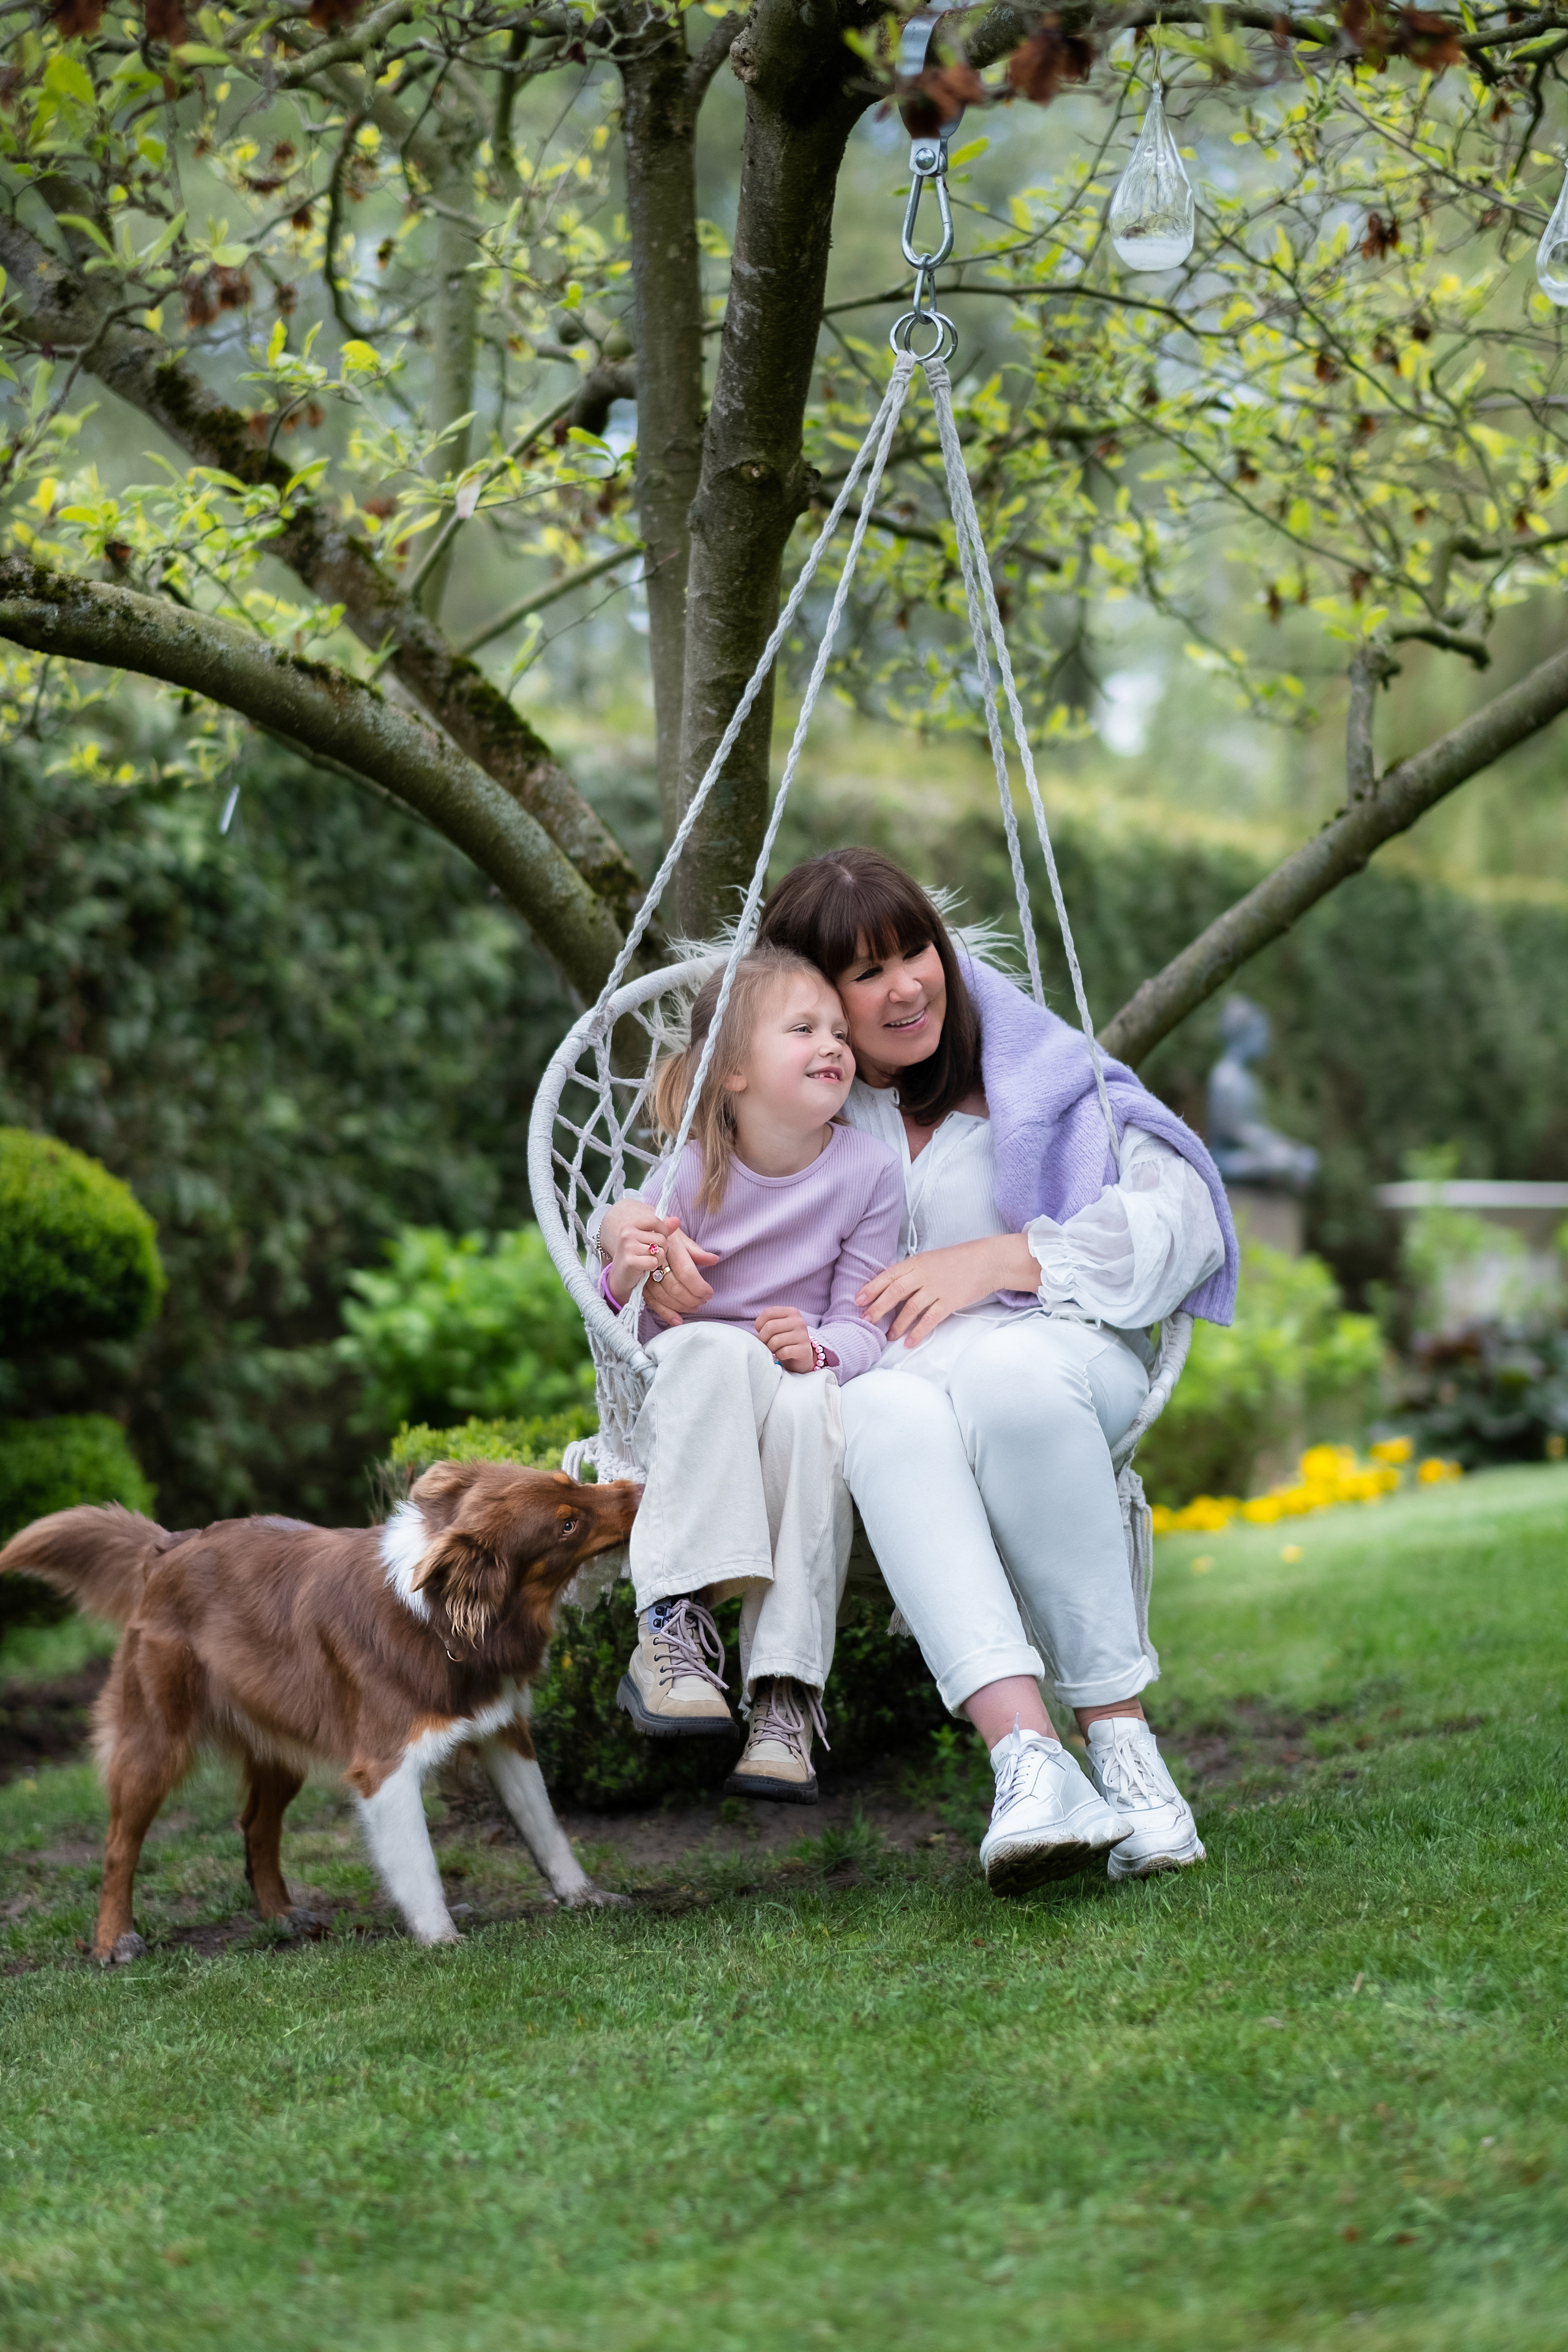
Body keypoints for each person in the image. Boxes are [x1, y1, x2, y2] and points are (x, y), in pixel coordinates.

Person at [623, 848, 1237, 1895]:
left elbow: (1180, 1222)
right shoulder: (800, 1109)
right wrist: (647, 1249)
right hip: (889, 1383)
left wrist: (1005, 1256)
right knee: (876, 1415)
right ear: (813, 998)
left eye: (916, 951)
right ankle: (1029, 1765)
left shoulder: (1027, 1079)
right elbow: (675, 1208)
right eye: (867, 974)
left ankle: (1128, 1754)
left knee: (1006, 1384)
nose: (907, 984)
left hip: (1057, 1354)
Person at [597, 945, 900, 1804]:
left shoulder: (868, 1174)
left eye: (839, 1031)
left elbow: (861, 1320)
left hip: (788, 1386)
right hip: (696, 1389)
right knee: (715, 1346)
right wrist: (634, 1267)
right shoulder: (693, 1170)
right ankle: (673, 1621)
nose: (834, 1044)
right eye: (802, 1028)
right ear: (731, 1071)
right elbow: (614, 1301)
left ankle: (785, 1694)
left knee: (814, 1410)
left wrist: (822, 1348)